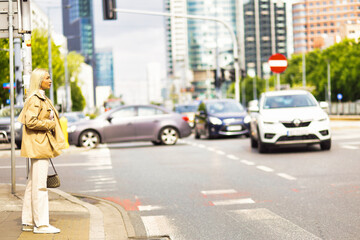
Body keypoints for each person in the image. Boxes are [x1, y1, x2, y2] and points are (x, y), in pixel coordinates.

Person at [17, 68, 67, 234]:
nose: (50, 80)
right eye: (47, 78)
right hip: (40, 145)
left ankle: (28, 221)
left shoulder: (40, 97)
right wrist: (50, 124)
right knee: (40, 187)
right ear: (39, 80)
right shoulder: (36, 99)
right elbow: (30, 122)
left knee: (33, 185)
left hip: (40, 144)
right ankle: (42, 225)